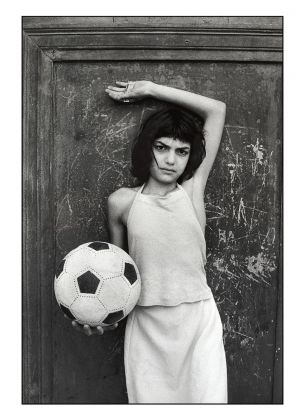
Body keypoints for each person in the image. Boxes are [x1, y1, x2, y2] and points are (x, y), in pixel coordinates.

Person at [71, 80, 227, 403]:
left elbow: (216, 110)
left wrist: (151, 89)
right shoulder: (122, 203)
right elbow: (115, 279)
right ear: (148, 148)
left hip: (198, 324)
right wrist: (97, 317)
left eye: (181, 151)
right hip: (146, 329)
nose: (171, 159)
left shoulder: (192, 191)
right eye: (162, 147)